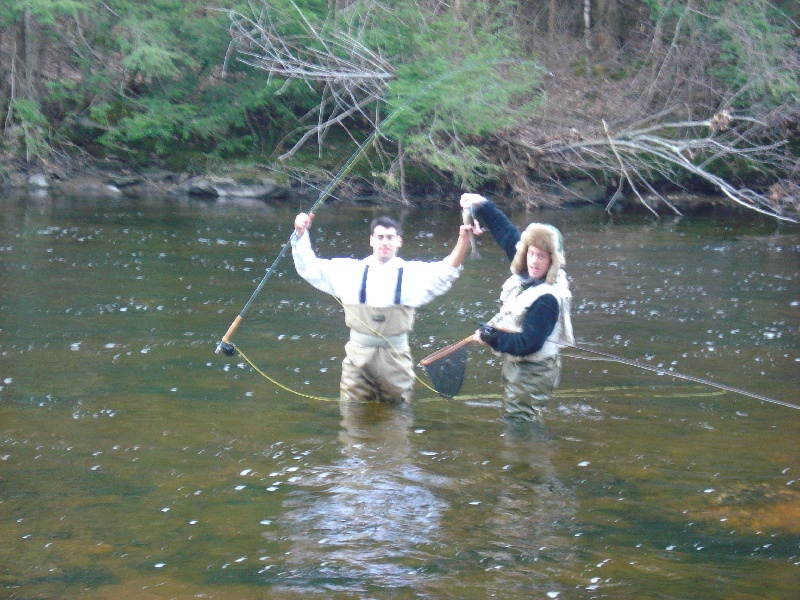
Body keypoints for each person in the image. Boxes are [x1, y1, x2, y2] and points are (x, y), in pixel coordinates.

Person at [292, 212, 473, 403]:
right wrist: (300, 233)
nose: (384, 242)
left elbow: (448, 271)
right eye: (380, 237)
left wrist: (463, 240)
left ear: (399, 242)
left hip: (396, 359)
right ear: (371, 241)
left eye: (390, 238)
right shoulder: (348, 271)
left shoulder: (414, 273)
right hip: (357, 359)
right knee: (353, 417)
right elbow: (309, 267)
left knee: (397, 417)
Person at [460, 193, 574, 423]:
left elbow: (527, 345)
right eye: (531, 253)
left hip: (534, 372)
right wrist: (482, 205)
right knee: (520, 418)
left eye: (541, 256)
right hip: (522, 369)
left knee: (519, 421)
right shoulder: (530, 268)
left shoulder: (547, 300)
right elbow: (506, 233)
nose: (534, 261)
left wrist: (491, 337)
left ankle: (532, 456)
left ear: (552, 261)